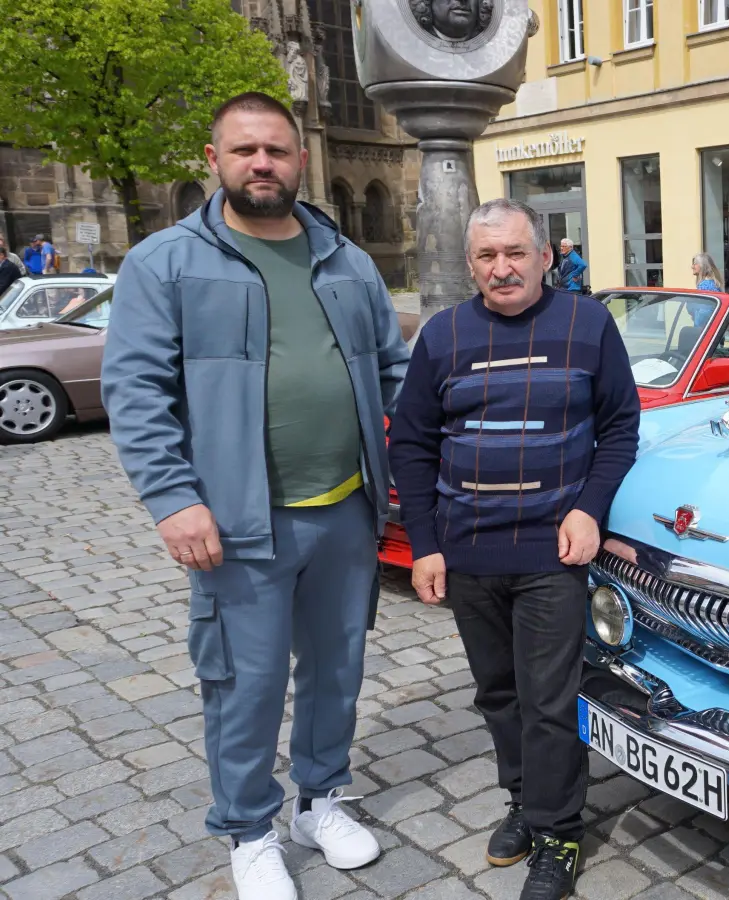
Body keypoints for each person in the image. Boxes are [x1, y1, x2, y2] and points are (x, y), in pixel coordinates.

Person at [101, 92, 410, 900]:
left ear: (301, 158)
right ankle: (247, 828)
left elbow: (393, 369)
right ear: (216, 161)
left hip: (345, 509)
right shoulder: (165, 262)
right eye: (245, 151)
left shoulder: (347, 258)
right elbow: (135, 391)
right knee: (246, 681)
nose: (262, 164)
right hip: (237, 524)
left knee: (337, 669)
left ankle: (319, 797)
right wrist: (173, 499)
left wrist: (412, 459)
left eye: (276, 149)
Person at [388, 198, 640, 900]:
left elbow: (621, 427)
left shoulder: (587, 325)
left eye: (514, 254)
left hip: (550, 555)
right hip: (468, 555)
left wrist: (590, 508)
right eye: (486, 257)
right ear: (470, 264)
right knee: (499, 694)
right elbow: (411, 444)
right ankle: (525, 803)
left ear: (544, 257)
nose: (502, 269)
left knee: (550, 700)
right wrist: (428, 546)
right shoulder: (442, 336)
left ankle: (560, 831)